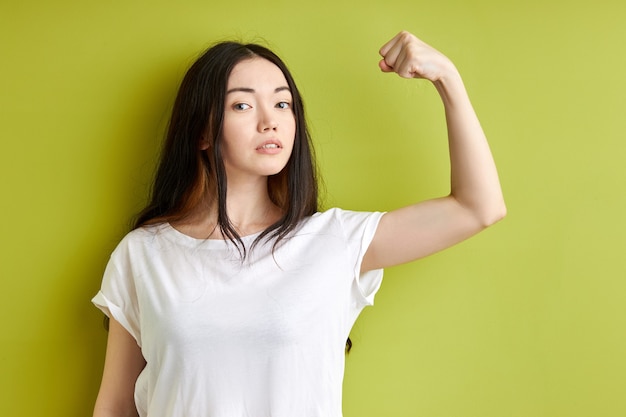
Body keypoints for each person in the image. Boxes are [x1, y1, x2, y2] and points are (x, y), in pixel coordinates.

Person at [91, 31, 506, 417]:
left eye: (282, 103)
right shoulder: (143, 253)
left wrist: (447, 79)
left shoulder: (334, 241)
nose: (269, 120)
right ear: (202, 132)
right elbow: (114, 407)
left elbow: (478, 207)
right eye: (242, 105)